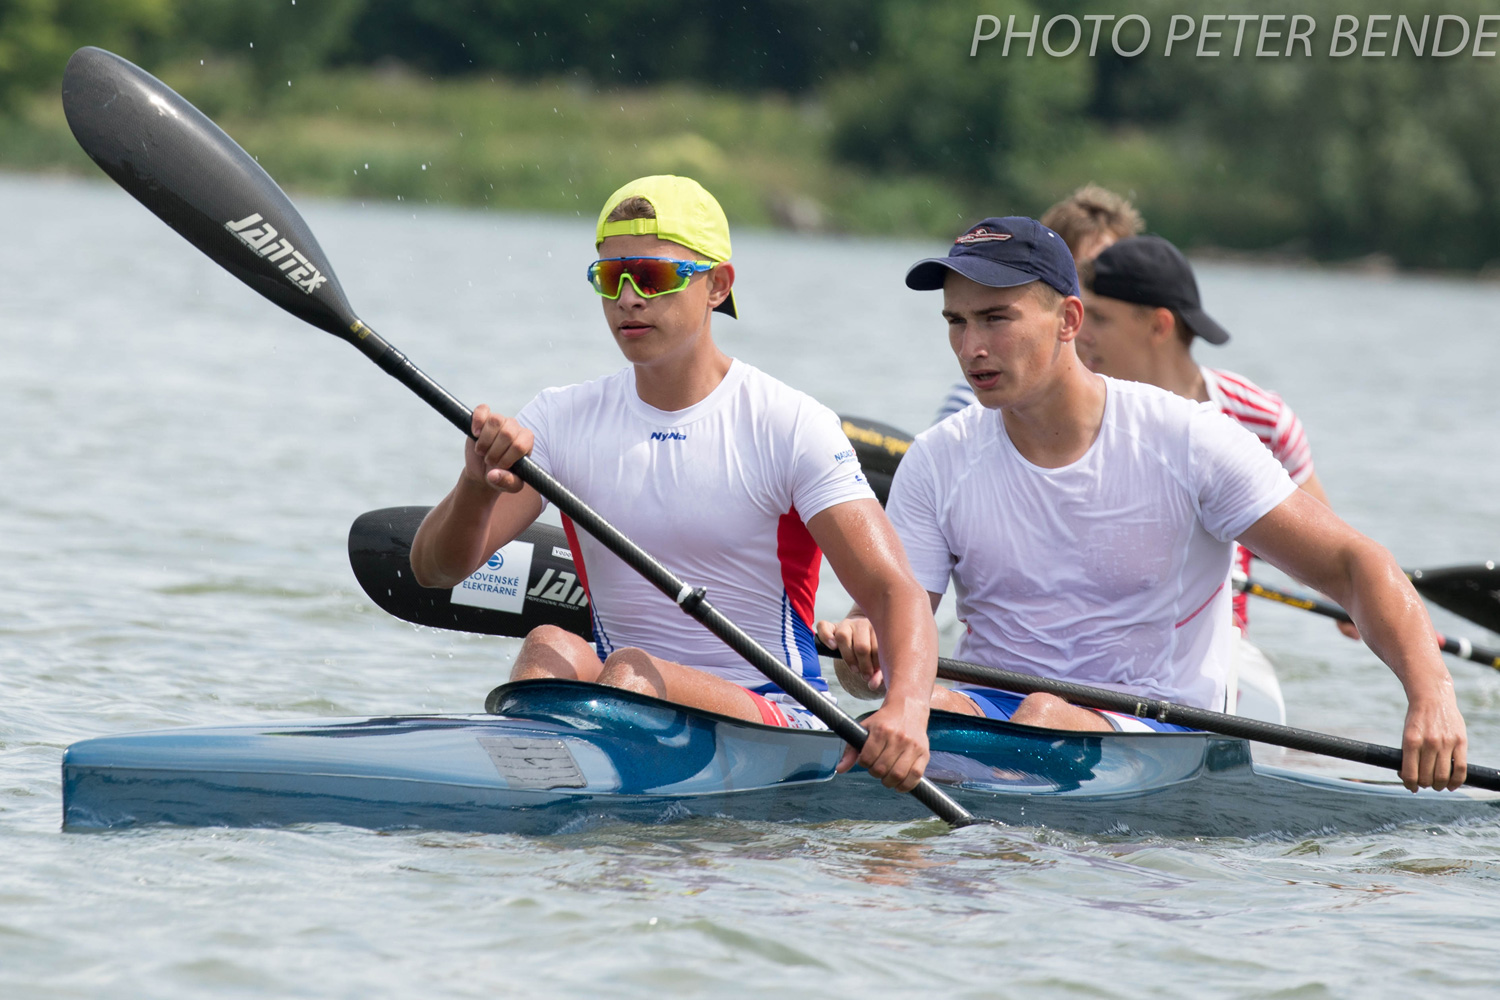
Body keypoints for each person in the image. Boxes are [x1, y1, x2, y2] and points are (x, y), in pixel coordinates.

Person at [818, 216, 1467, 791]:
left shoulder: (1188, 440)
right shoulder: (938, 460)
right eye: (956, 323)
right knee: (932, 714)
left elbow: (1355, 564)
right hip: (988, 713)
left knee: (1040, 714)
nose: (971, 348)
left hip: (1155, 730)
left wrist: (1431, 696)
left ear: (1069, 320)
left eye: (996, 318)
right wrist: (866, 654)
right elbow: (881, 653)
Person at [409, 175, 938, 790]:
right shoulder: (560, 419)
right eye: (610, 279)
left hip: (779, 717)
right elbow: (435, 571)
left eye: (653, 277)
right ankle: (533, 831)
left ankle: (568, 803)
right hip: (623, 696)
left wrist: (907, 712)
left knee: (631, 671)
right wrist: (476, 484)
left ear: (718, 285)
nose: (629, 299)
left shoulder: (789, 424)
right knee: (549, 645)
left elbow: (897, 591)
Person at [1075, 234, 1349, 640]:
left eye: (1099, 318)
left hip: (1215, 648)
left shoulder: (1262, 420)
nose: (1079, 332)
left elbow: (1330, 558)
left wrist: (1357, 601)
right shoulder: (1074, 413)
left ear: (1158, 325)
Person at [932, 185, 1142, 423]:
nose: (1099, 288)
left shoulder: (1158, 404)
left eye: (1115, 273)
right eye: (1086, 271)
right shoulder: (971, 402)